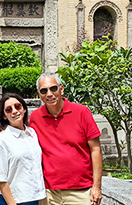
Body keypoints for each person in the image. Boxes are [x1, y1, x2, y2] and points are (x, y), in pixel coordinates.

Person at [30, 73, 102, 205]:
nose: (49, 94)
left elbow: (95, 149)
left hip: (81, 191)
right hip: (49, 192)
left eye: (53, 88)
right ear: (39, 95)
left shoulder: (82, 112)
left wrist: (97, 187)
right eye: (44, 91)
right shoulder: (35, 117)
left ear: (61, 89)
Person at [0, 93, 46, 205]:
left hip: (35, 196)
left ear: (24, 109)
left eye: (17, 106)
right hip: (13, 199)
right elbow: (1, 179)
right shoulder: (1, 140)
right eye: (8, 109)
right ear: (4, 116)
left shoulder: (32, 133)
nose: (14, 111)